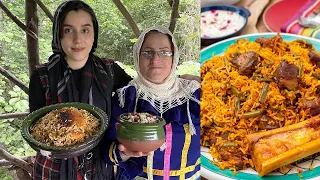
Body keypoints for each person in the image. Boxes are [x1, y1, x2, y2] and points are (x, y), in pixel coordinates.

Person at [28, 1, 131, 179]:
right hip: (54, 170)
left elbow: (137, 94)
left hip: (99, 167)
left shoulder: (109, 71)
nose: (78, 39)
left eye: (85, 30)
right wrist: (43, 146)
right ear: (58, 34)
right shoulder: (42, 76)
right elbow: (35, 129)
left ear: (94, 34)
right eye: (68, 30)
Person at [102, 27, 201, 180]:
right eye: (147, 53)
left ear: (174, 57)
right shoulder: (126, 97)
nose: (155, 60)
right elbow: (106, 153)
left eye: (164, 52)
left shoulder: (194, 95)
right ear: (137, 56)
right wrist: (124, 153)